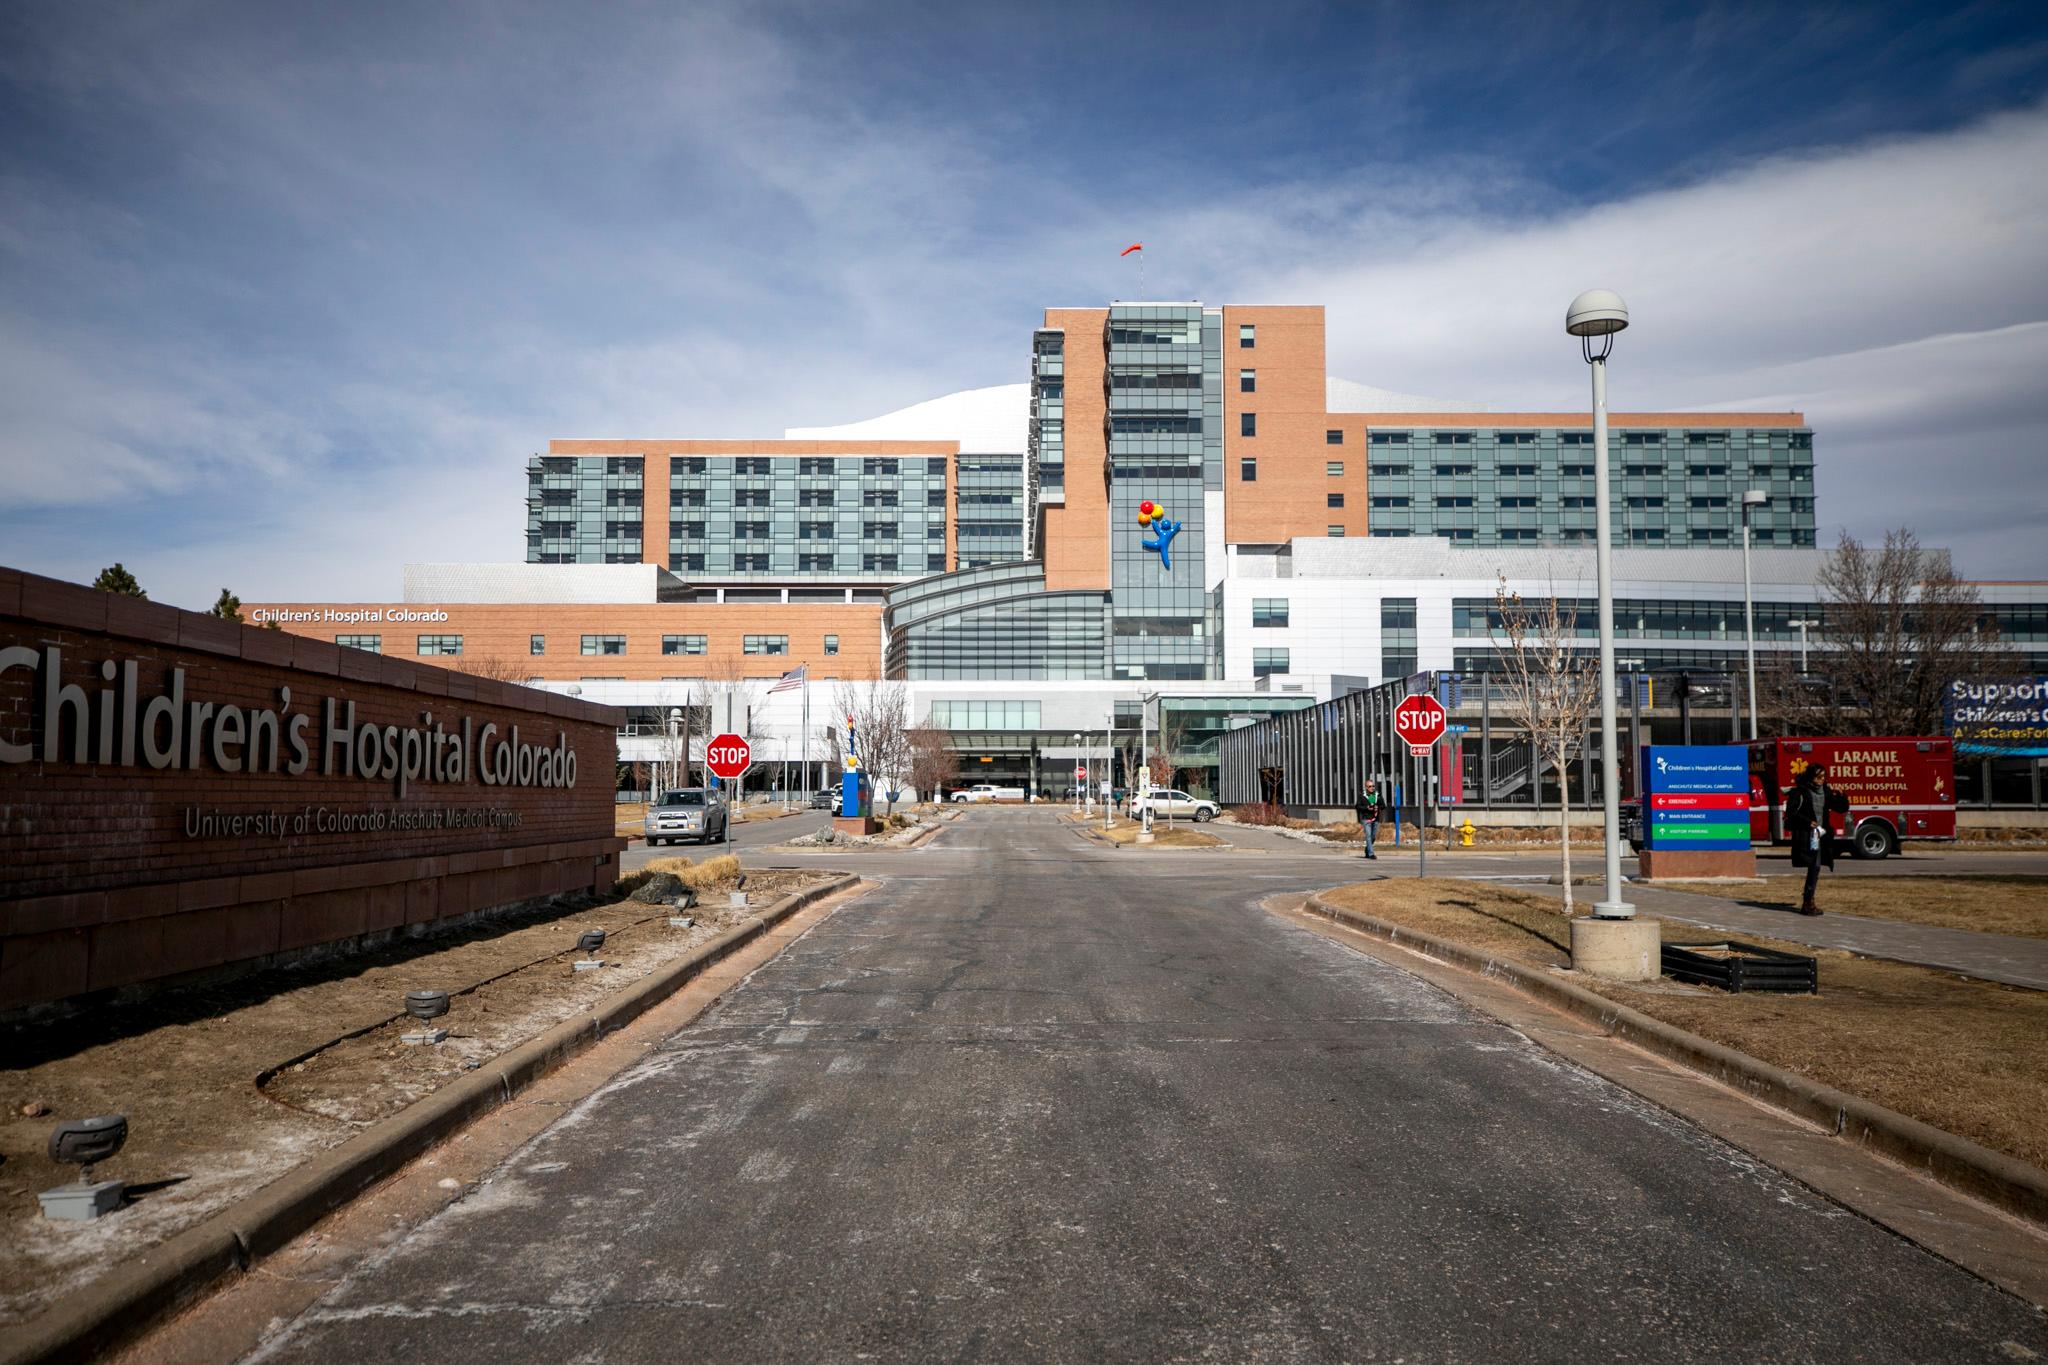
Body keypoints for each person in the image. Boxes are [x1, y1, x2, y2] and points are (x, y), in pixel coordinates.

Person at [1784, 763, 1848, 915]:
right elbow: (1791, 813)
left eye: (1823, 777)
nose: (1821, 780)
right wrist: (1808, 822)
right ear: (1810, 777)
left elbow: (1841, 808)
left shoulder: (1826, 792)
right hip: (1806, 834)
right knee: (1815, 865)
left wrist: (1841, 796)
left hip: (1821, 834)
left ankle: (1808, 900)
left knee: (1815, 866)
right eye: (1818, 776)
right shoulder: (1800, 792)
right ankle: (1808, 902)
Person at [1353, 778, 1382, 860]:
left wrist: (1377, 807)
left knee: (1373, 836)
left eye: (1373, 786)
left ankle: (1367, 850)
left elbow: (1383, 805)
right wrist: (1367, 808)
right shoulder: (1362, 795)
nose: (1372, 788)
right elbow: (1357, 806)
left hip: (1376, 818)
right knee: (1368, 836)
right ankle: (1371, 854)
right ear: (1366, 787)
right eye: (1369, 786)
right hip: (1366, 818)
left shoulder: (1377, 795)